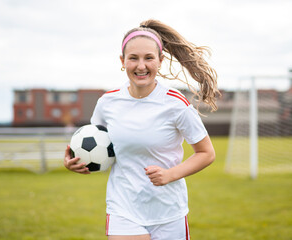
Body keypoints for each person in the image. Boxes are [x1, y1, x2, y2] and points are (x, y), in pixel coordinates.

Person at [64, 19, 220, 240]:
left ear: (160, 60)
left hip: (169, 211)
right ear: (122, 61)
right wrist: (76, 161)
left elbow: (207, 153)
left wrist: (169, 174)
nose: (141, 66)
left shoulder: (176, 104)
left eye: (149, 58)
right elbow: (96, 144)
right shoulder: (107, 103)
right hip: (123, 208)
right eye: (133, 58)